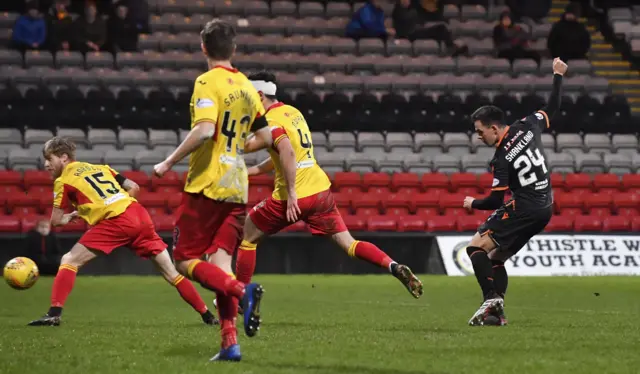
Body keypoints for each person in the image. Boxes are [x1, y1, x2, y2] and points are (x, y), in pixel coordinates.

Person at [233, 71, 424, 301]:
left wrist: (292, 194)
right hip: (319, 191)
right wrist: (251, 171)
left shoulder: (270, 122)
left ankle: (239, 297)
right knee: (350, 244)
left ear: (260, 95)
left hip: (293, 196)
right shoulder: (292, 113)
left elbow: (287, 152)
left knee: (248, 237)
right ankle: (392, 266)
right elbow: (285, 154)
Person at [152, 19, 273, 362]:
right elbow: (266, 137)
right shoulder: (249, 88)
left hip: (208, 183)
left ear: (203, 48)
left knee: (184, 260)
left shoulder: (207, 82)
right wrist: (235, 149)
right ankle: (229, 343)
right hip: (237, 185)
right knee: (220, 266)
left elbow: (205, 130)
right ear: (233, 49)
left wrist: (168, 162)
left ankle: (243, 293)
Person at [28, 137, 217, 327]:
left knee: (69, 260)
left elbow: (55, 221)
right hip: (139, 215)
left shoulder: (63, 181)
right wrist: (115, 203)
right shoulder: (102, 168)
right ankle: (207, 315)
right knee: (172, 274)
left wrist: (70, 217)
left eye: (49, 159)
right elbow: (134, 187)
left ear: (63, 158)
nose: (46, 164)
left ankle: (53, 314)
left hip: (117, 221)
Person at [462, 58, 568, 327]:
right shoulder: (528, 125)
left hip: (524, 206)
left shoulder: (501, 159)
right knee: (497, 258)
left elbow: (495, 200)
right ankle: (496, 315)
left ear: (494, 128)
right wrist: (557, 75)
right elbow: (552, 107)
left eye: (480, 131)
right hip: (545, 208)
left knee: (475, 247)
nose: (478, 137)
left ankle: (490, 298)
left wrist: (472, 202)